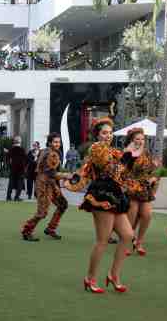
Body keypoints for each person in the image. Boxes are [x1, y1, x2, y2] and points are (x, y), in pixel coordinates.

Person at [65, 117, 137, 294]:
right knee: (102, 241)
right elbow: (112, 170)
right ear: (97, 134)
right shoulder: (96, 148)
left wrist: (132, 159)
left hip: (116, 197)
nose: (108, 136)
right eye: (104, 133)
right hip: (102, 195)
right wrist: (127, 156)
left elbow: (125, 171)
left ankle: (113, 275)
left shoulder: (113, 150)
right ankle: (90, 278)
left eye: (110, 133)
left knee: (128, 236)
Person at [21, 133, 73, 242]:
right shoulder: (50, 153)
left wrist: (65, 174)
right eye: (55, 142)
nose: (57, 144)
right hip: (44, 185)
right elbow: (51, 173)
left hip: (51, 183)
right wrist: (67, 175)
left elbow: (53, 172)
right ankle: (27, 231)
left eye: (59, 142)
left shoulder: (49, 151)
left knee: (63, 204)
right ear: (50, 142)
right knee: (42, 212)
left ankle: (51, 228)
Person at [123, 128, 160, 256]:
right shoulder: (128, 152)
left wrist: (153, 172)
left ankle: (139, 242)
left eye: (142, 139)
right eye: (137, 139)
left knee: (147, 215)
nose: (140, 141)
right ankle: (127, 242)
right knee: (131, 218)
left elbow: (150, 170)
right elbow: (123, 170)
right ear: (132, 140)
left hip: (144, 188)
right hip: (132, 187)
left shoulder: (146, 152)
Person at [6, 136, 28, 202]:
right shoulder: (22, 149)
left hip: (13, 168)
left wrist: (9, 166)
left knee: (11, 183)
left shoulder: (11, 149)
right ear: (20, 141)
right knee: (20, 183)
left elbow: (7, 159)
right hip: (20, 169)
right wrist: (24, 167)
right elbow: (26, 159)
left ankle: (8, 196)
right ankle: (17, 197)